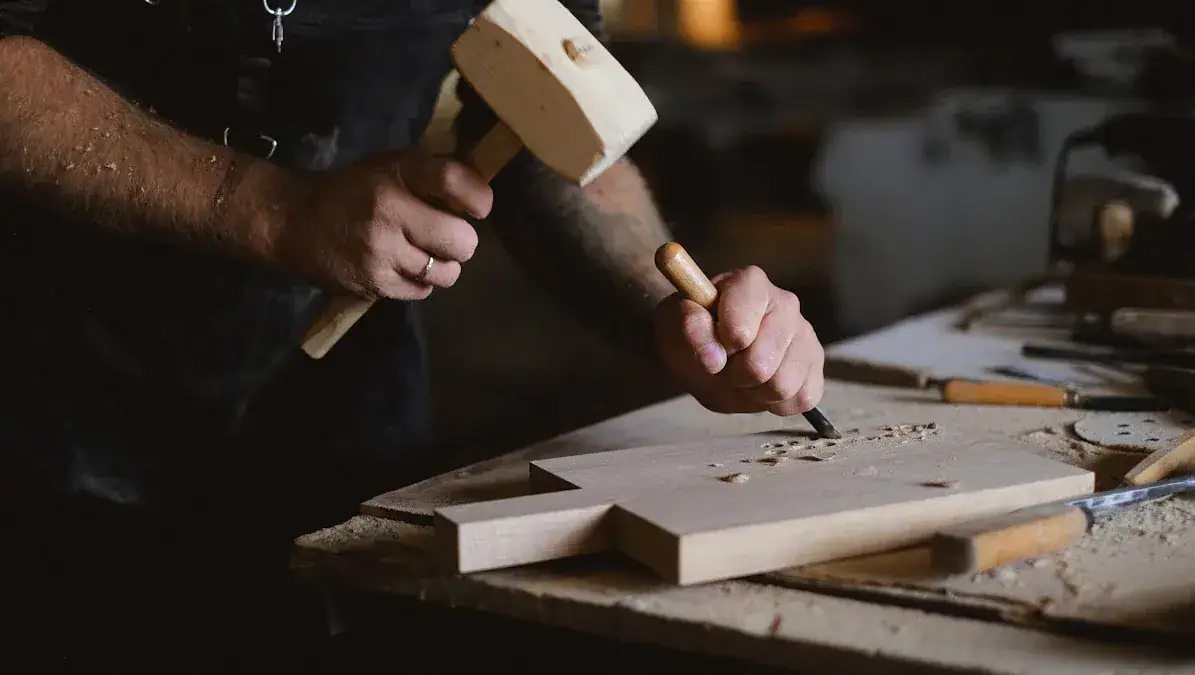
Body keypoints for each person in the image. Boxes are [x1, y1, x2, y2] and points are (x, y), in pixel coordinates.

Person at [0, 0, 825, 667]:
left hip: (343, 435)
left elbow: (549, 121)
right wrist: (266, 207)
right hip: (55, 432)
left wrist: (673, 308)